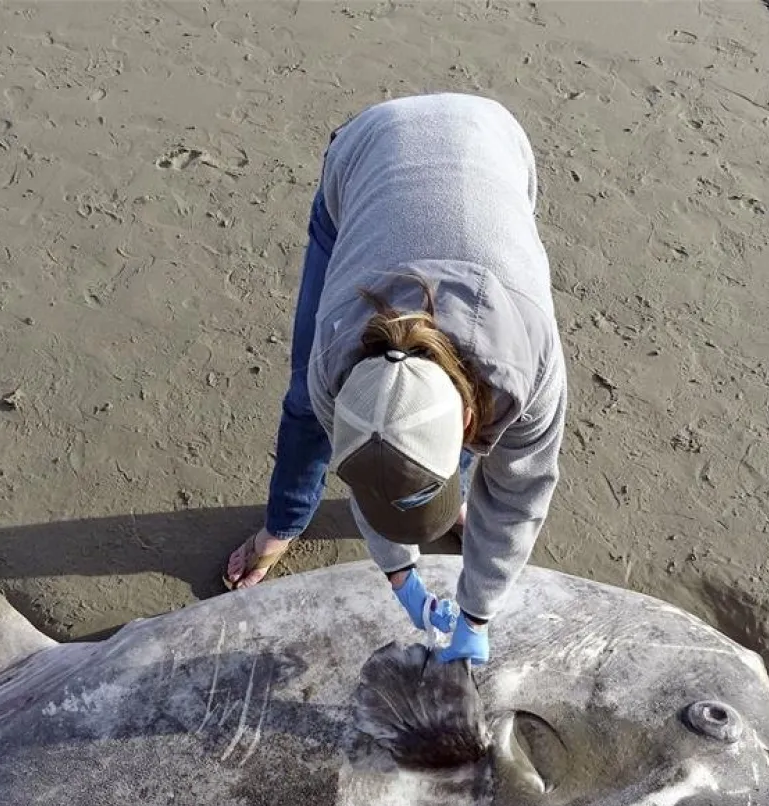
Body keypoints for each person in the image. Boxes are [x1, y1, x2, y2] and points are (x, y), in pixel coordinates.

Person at [223, 93, 568, 667]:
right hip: (366, 155)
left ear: (467, 419)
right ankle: (282, 525)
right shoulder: (334, 355)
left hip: (494, 143)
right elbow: (371, 469)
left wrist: (478, 613)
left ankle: (436, 487)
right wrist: (402, 577)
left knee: (429, 443)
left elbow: (519, 497)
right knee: (303, 411)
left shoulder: (527, 371)